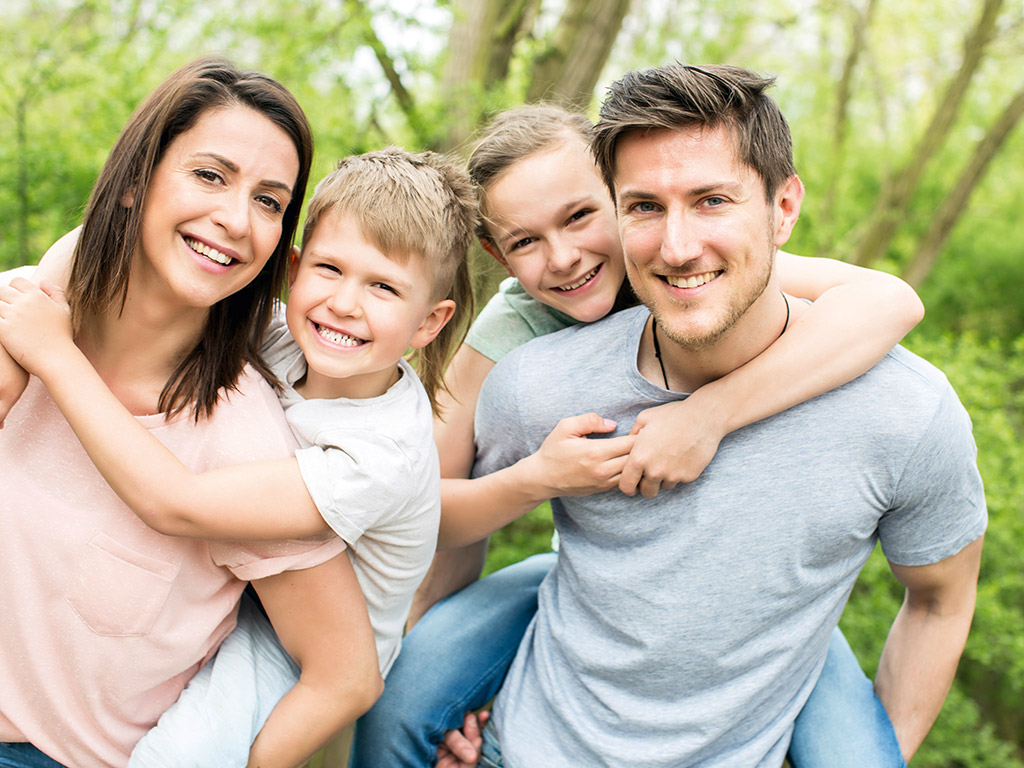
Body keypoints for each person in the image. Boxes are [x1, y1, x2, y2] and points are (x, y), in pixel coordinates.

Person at [350, 103, 930, 767]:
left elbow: (893, 302)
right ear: (495, 253)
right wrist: (535, 481)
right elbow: (426, 510)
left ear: (625, 199)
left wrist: (710, 412)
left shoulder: (691, 269)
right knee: (402, 695)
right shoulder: (505, 341)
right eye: (525, 241)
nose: (564, 257)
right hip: (588, 580)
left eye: (580, 216)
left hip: (766, 606)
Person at [0, 147, 478, 767]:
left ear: (429, 323)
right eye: (330, 269)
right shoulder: (282, 331)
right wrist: (28, 329)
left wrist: (51, 353)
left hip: (297, 644)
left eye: (384, 288)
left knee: (181, 756)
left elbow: (181, 505)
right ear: (296, 268)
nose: (344, 304)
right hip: (245, 588)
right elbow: (100, 247)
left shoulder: (378, 456)